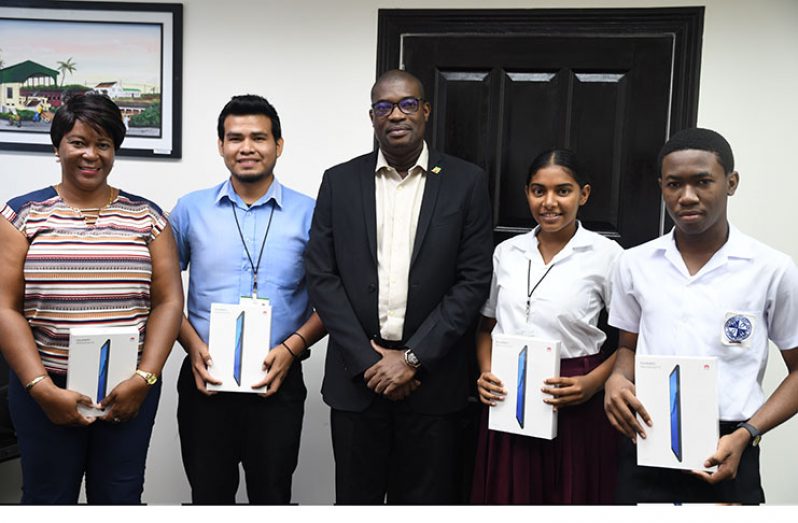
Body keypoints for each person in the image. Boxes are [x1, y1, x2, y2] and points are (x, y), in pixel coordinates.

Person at [305, 69, 494, 504]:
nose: (396, 114)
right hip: (358, 382)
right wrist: (369, 359)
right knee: (356, 502)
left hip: (433, 382)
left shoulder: (466, 182)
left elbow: (472, 281)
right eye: (384, 106)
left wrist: (412, 359)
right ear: (372, 117)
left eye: (407, 104)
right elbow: (322, 276)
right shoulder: (339, 181)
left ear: (425, 111)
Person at [0, 93, 183, 504]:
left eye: (103, 144)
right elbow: (3, 307)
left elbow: (169, 303)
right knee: (48, 498)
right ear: (57, 146)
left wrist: (145, 378)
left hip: (127, 391)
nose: (91, 155)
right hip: (45, 388)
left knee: (119, 496)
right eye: (78, 142)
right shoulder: (21, 215)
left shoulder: (148, 218)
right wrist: (41, 388)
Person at [604, 128, 798, 504]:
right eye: (674, 184)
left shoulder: (771, 269)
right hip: (646, 437)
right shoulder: (634, 263)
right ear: (662, 186)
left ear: (731, 182)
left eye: (703, 181)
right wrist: (615, 380)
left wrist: (747, 433)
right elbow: (627, 348)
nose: (687, 196)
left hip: (730, 444)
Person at [170, 94, 325, 504]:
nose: (247, 147)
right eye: (235, 137)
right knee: (208, 496)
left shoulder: (312, 214)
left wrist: (293, 349)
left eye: (259, 137)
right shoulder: (189, 210)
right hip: (206, 379)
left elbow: (334, 299)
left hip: (278, 377)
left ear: (279, 144)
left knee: (272, 496)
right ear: (220, 145)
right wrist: (193, 346)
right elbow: (162, 292)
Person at [470, 149, 623, 504]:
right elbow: (485, 327)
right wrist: (486, 372)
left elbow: (633, 341)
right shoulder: (506, 252)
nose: (549, 202)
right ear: (527, 193)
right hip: (508, 395)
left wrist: (592, 384)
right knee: (509, 494)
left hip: (573, 391)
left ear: (583, 194)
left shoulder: (607, 256)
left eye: (563, 191)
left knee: (570, 494)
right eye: (539, 191)